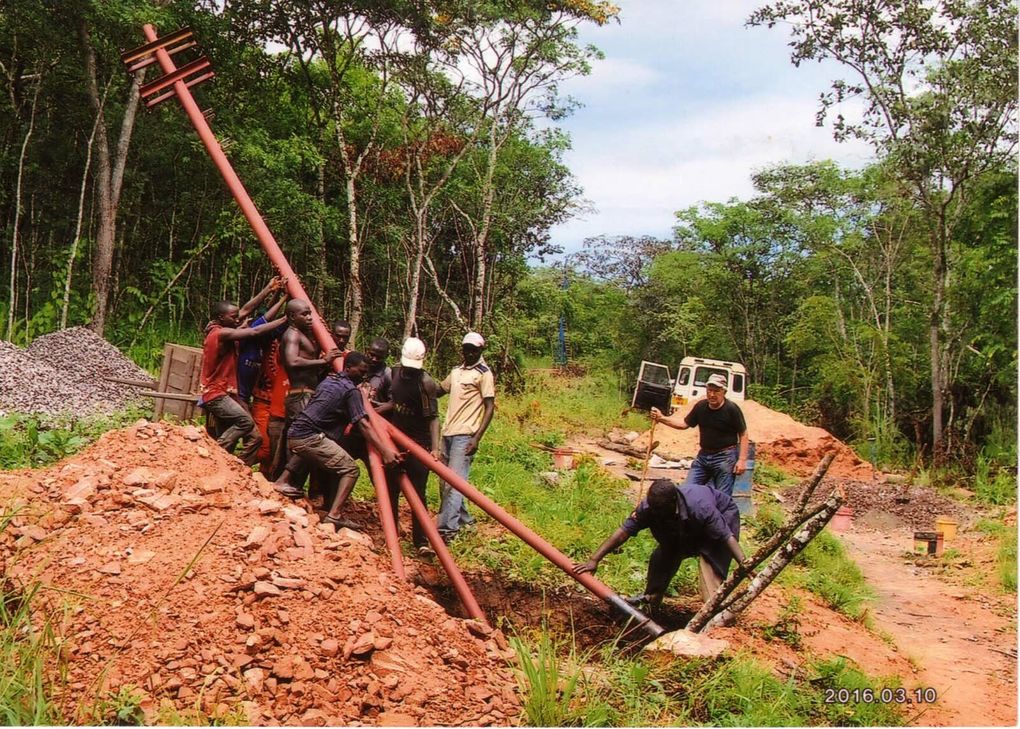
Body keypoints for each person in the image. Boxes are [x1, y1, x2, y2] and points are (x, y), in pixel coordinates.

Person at [574, 479, 753, 610]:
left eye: (659, 509)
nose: (654, 513)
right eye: (652, 508)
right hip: (682, 526)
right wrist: (594, 559)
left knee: (710, 568)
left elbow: (725, 536)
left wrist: (745, 564)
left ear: (673, 503)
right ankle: (652, 600)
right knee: (663, 556)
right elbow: (622, 533)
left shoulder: (700, 507)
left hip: (719, 522)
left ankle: (715, 615)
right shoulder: (650, 508)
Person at [282, 351, 402, 530]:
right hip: (309, 437)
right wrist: (385, 450)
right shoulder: (351, 390)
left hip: (296, 433)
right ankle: (334, 515)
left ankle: (282, 480)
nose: (363, 376)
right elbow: (363, 424)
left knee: (311, 450)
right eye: (361, 371)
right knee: (351, 469)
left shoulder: (329, 381)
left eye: (366, 372)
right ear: (348, 368)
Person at [376, 337, 443, 556]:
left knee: (418, 493)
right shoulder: (393, 373)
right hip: (393, 440)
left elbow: (433, 418)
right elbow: (386, 398)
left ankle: (421, 542)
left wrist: (434, 448)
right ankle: (391, 535)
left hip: (418, 443)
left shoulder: (426, 382)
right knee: (391, 489)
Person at [200, 301, 286, 465]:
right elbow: (255, 331)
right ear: (221, 318)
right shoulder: (220, 334)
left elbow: (247, 310)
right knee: (245, 422)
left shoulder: (228, 332)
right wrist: (285, 319)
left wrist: (272, 291)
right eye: (234, 317)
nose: (238, 320)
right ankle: (216, 456)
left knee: (256, 438)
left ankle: (236, 467)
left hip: (229, 394)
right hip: (216, 394)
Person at [274, 300, 342, 498]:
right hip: (299, 395)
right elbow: (292, 361)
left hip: (306, 394)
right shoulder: (292, 334)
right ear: (292, 317)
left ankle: (290, 484)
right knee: (305, 440)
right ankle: (285, 481)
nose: (309, 318)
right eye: (304, 314)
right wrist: (324, 360)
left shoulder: (303, 335)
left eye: (310, 314)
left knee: (299, 441)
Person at [435, 331, 495, 542]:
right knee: (444, 483)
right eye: (466, 350)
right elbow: (439, 390)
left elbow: (489, 407)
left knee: (454, 483)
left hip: (465, 434)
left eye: (474, 351)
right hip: (447, 433)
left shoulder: (483, 373)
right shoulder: (457, 371)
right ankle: (465, 522)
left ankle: (447, 531)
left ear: (480, 351)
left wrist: (476, 438)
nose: (469, 354)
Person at [651, 373, 749, 496]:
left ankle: (722, 515)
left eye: (716, 391)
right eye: (709, 390)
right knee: (687, 492)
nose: (712, 394)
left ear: (724, 392)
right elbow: (683, 424)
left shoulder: (732, 409)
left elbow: (743, 433)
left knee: (722, 497)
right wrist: (661, 418)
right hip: (703, 456)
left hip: (725, 458)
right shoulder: (700, 407)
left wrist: (742, 460)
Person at [363, 337, 392, 405]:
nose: (374, 359)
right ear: (367, 350)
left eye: (379, 357)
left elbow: (392, 404)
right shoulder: (359, 367)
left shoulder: (388, 375)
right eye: (372, 355)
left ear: (386, 356)